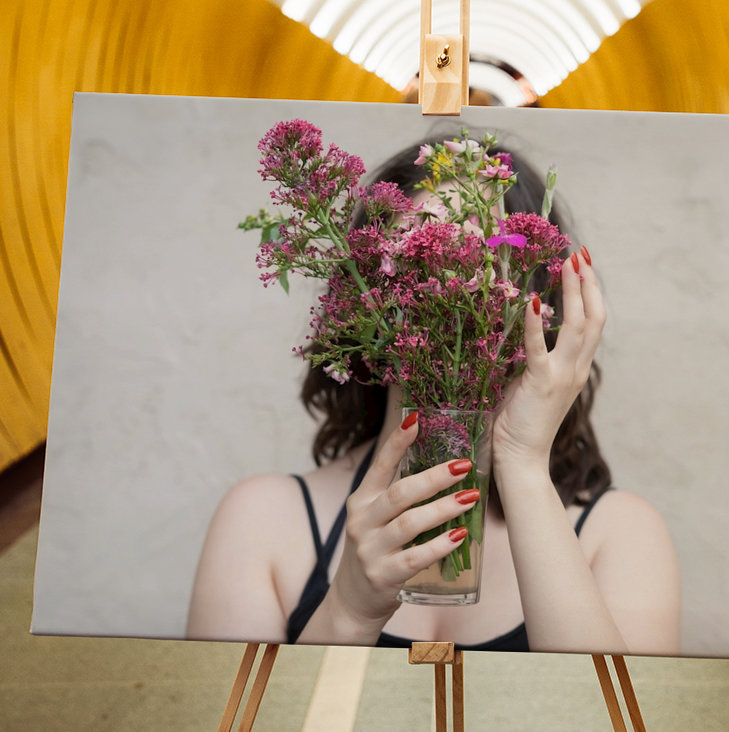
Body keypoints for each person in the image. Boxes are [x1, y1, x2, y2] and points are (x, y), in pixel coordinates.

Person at [187, 140, 681, 655]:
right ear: (362, 296)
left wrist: (520, 459)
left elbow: (607, 719)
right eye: (418, 259)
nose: (446, 289)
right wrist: (349, 611)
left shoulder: (620, 534)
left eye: (476, 260)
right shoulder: (263, 520)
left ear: (538, 300)